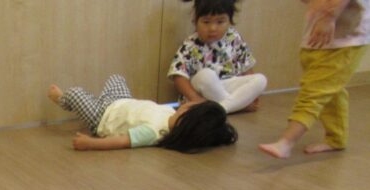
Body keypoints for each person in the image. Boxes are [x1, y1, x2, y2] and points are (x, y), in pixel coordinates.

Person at [259, 0, 369, 159]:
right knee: (330, 91)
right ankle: (336, 139)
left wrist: (329, 17)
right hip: (321, 38)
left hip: (345, 40)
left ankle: (286, 142)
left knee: (314, 93)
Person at [47, 74, 238, 152]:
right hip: (120, 101)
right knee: (117, 78)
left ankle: (63, 100)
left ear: (186, 120)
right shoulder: (170, 112)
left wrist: (91, 143)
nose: (188, 103)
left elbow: (123, 141)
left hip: (102, 117)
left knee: (76, 93)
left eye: (191, 106)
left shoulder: (154, 132)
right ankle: (91, 100)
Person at [168, 0, 267, 113]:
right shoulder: (190, 45)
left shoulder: (234, 38)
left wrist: (250, 96)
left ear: (229, 21)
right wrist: (196, 99)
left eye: (220, 22)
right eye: (206, 22)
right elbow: (179, 77)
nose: (213, 28)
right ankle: (233, 106)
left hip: (226, 87)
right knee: (206, 75)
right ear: (195, 21)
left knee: (260, 79)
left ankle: (221, 108)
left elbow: (247, 68)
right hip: (201, 92)